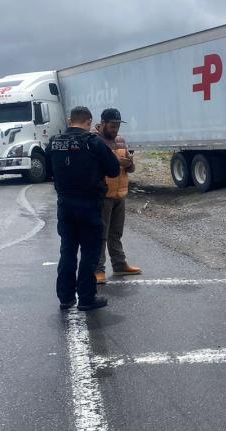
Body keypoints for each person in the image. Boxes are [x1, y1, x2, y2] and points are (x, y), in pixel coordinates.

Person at [48, 106, 120, 311]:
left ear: (71, 120)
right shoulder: (93, 143)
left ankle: (65, 297)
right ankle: (87, 298)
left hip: (65, 204)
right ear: (89, 122)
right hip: (89, 204)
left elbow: (48, 169)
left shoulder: (54, 142)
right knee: (90, 252)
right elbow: (114, 170)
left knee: (67, 250)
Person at [92, 108, 142, 284]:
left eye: (118, 126)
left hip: (120, 193)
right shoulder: (94, 140)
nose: (116, 130)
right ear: (103, 123)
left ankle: (119, 265)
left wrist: (129, 165)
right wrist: (115, 161)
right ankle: (98, 270)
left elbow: (130, 167)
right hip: (103, 194)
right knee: (100, 234)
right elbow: (93, 166)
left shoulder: (120, 140)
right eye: (112, 126)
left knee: (116, 233)